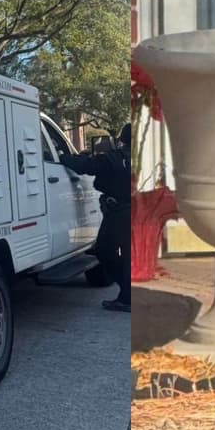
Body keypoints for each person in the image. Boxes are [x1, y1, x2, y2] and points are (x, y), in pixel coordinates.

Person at [61, 124, 132, 312]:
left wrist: (63, 157)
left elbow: (85, 166)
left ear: (122, 140)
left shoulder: (114, 158)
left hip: (119, 213)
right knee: (128, 256)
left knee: (104, 252)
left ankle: (128, 293)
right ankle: (128, 296)